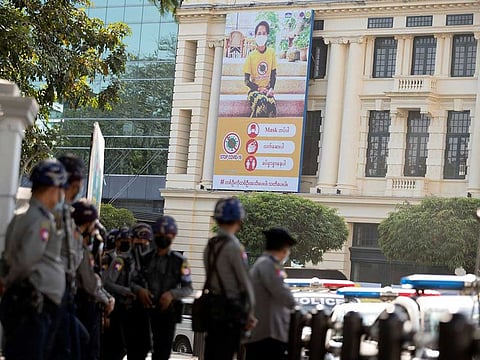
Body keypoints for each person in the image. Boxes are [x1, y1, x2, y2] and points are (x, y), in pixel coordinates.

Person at [0, 158, 68, 360]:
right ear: (52, 188)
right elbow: (27, 259)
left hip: (30, 301)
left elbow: (9, 256)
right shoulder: (40, 219)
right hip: (34, 303)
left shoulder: (22, 216)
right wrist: (8, 281)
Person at [131, 216, 193, 360]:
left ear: (173, 236)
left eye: (167, 234)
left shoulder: (180, 261)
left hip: (167, 313)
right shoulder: (145, 259)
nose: (163, 237)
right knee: (138, 351)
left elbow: (188, 288)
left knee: (162, 353)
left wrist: (172, 294)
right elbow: (133, 282)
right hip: (144, 312)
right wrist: (140, 290)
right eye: (159, 234)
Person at [203, 197, 257, 360]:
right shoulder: (234, 247)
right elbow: (245, 282)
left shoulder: (210, 245)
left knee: (212, 352)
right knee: (226, 353)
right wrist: (250, 312)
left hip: (212, 308)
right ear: (238, 220)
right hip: (231, 311)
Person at [47, 153, 87, 360]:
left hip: (63, 294)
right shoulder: (49, 214)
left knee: (76, 343)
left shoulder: (65, 214)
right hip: (48, 296)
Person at [71, 199, 115, 360]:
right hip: (82, 302)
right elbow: (89, 281)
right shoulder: (78, 246)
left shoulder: (73, 242)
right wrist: (107, 299)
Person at [244, 227, 297, 360]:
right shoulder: (269, 265)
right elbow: (281, 291)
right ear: (284, 249)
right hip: (268, 332)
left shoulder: (263, 264)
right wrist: (296, 306)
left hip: (264, 331)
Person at [102, 227, 136, 360]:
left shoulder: (131, 260)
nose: (126, 243)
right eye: (123, 240)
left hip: (126, 309)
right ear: (117, 242)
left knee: (122, 347)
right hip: (113, 307)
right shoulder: (113, 259)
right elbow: (106, 283)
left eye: (128, 240)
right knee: (112, 346)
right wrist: (127, 291)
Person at [243, 20, 277, 118]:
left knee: (271, 104)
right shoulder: (251, 56)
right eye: (259, 33)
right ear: (255, 36)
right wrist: (258, 89)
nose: (261, 36)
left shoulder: (271, 53)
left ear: (267, 35)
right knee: (261, 102)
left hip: (267, 90)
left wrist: (271, 89)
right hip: (254, 91)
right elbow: (246, 81)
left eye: (264, 33)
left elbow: (273, 74)